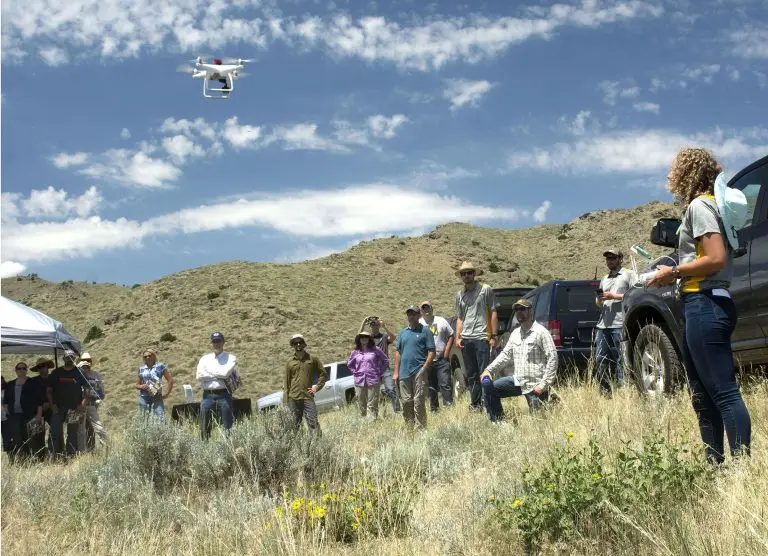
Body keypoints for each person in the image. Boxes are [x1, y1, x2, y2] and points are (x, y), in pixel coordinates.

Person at [648, 147, 751, 464]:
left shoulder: (700, 206)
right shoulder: (714, 206)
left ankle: (740, 470)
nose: (671, 177)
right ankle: (715, 464)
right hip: (705, 303)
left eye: (674, 170)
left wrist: (673, 272)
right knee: (701, 394)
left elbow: (716, 258)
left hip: (705, 304)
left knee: (722, 392)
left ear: (687, 173)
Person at [480, 299, 558, 422]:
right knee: (490, 389)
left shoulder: (541, 332)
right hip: (518, 380)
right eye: (516, 309)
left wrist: (543, 385)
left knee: (540, 423)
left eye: (522, 309)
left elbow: (553, 358)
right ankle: (498, 422)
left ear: (530, 310)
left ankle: (551, 402)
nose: (519, 312)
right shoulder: (515, 333)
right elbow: (505, 355)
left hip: (535, 385)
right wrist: (489, 370)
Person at [454, 261, 498, 411]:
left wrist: (493, 335)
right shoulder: (459, 295)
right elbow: (460, 318)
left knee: (484, 372)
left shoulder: (485, 290)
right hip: (466, 338)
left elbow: (493, 311)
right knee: (471, 374)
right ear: (461, 276)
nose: (466, 275)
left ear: (474, 274)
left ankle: (489, 403)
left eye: (469, 272)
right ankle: (475, 404)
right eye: (463, 273)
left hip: (481, 337)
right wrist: (457, 337)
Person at [594, 249, 635, 396]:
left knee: (621, 359)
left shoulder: (628, 274)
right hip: (603, 325)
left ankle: (623, 390)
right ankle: (605, 393)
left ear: (620, 258)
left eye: (612, 258)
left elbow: (635, 295)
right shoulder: (604, 278)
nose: (609, 261)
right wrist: (599, 299)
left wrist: (614, 296)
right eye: (607, 259)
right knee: (601, 359)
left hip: (620, 323)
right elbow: (598, 303)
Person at [393, 305, 435, 431]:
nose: (411, 317)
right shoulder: (402, 332)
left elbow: (432, 351)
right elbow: (397, 352)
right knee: (406, 402)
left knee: (419, 401)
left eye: (414, 314)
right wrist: (396, 372)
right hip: (404, 372)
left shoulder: (425, 331)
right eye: (409, 314)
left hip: (419, 371)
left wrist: (425, 368)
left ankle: (421, 428)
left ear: (419, 316)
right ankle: (409, 428)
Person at [196, 331, 238, 440]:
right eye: (214, 341)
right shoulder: (204, 358)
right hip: (207, 395)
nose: (216, 344)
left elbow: (225, 374)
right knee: (204, 425)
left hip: (224, 395)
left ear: (223, 342)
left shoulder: (231, 357)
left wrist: (209, 373)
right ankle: (205, 446)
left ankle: (228, 448)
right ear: (211, 343)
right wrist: (218, 374)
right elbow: (199, 376)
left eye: (218, 341)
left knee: (227, 425)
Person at [47, 350, 88, 458]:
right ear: (63, 358)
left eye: (71, 357)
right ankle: (53, 455)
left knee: (72, 433)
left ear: (74, 358)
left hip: (74, 408)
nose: (69, 359)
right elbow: (49, 390)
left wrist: (82, 403)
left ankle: (71, 456)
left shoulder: (80, 372)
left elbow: (87, 389)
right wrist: (52, 405)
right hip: (58, 408)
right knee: (55, 432)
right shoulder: (56, 372)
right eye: (67, 357)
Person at [2, 361, 44, 462]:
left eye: (24, 368)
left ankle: (37, 459)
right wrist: (8, 412)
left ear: (26, 370)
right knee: (18, 438)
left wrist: (39, 414)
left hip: (30, 415)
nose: (21, 370)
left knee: (32, 438)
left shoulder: (33, 383)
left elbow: (39, 400)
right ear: (16, 371)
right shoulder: (10, 384)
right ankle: (22, 460)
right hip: (14, 415)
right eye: (19, 368)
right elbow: (6, 400)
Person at [284, 334, 326, 433]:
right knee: (294, 425)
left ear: (304, 344)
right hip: (293, 398)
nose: (298, 345)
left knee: (313, 423)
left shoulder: (312, 359)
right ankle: (298, 446)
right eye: (295, 343)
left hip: (307, 396)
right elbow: (286, 381)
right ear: (293, 345)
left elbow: (323, 374)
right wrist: (286, 400)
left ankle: (317, 445)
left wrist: (317, 387)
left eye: (300, 342)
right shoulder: (289, 362)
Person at [419, 300, 455, 411]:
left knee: (445, 383)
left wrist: (447, 351)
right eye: (424, 308)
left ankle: (449, 407)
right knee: (431, 386)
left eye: (428, 307)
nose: (426, 310)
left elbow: (451, 335)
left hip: (441, 359)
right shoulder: (419, 323)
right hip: (427, 360)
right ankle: (434, 409)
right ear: (421, 311)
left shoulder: (441, 321)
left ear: (432, 308)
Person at [347, 330, 389, 420]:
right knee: (361, 402)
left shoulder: (375, 349)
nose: (364, 339)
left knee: (372, 402)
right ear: (359, 339)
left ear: (369, 339)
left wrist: (380, 372)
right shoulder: (355, 352)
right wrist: (355, 372)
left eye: (366, 337)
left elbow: (385, 361)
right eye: (362, 337)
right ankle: (364, 421)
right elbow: (349, 364)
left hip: (373, 379)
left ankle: (372, 421)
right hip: (359, 380)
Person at [363, 316, 400, 412]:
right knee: (374, 393)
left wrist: (384, 326)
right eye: (372, 324)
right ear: (370, 326)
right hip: (373, 370)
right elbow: (358, 336)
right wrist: (363, 323)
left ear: (379, 326)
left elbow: (393, 337)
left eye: (376, 324)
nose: (374, 326)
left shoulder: (383, 337)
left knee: (391, 389)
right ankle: (374, 413)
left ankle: (397, 410)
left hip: (384, 368)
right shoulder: (368, 339)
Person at [76, 357, 107, 452]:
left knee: (98, 426)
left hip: (90, 405)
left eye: (87, 367)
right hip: (80, 407)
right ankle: (82, 451)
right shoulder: (76, 379)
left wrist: (97, 400)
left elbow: (101, 394)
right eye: (83, 367)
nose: (85, 369)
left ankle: (105, 447)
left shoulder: (93, 379)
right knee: (81, 429)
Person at [136, 349, 173, 420]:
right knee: (144, 420)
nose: (147, 358)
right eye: (145, 357)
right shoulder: (141, 369)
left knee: (160, 418)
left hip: (157, 396)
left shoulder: (160, 366)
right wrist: (141, 386)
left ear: (153, 356)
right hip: (144, 398)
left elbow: (170, 379)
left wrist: (167, 393)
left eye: (149, 355)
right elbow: (137, 384)